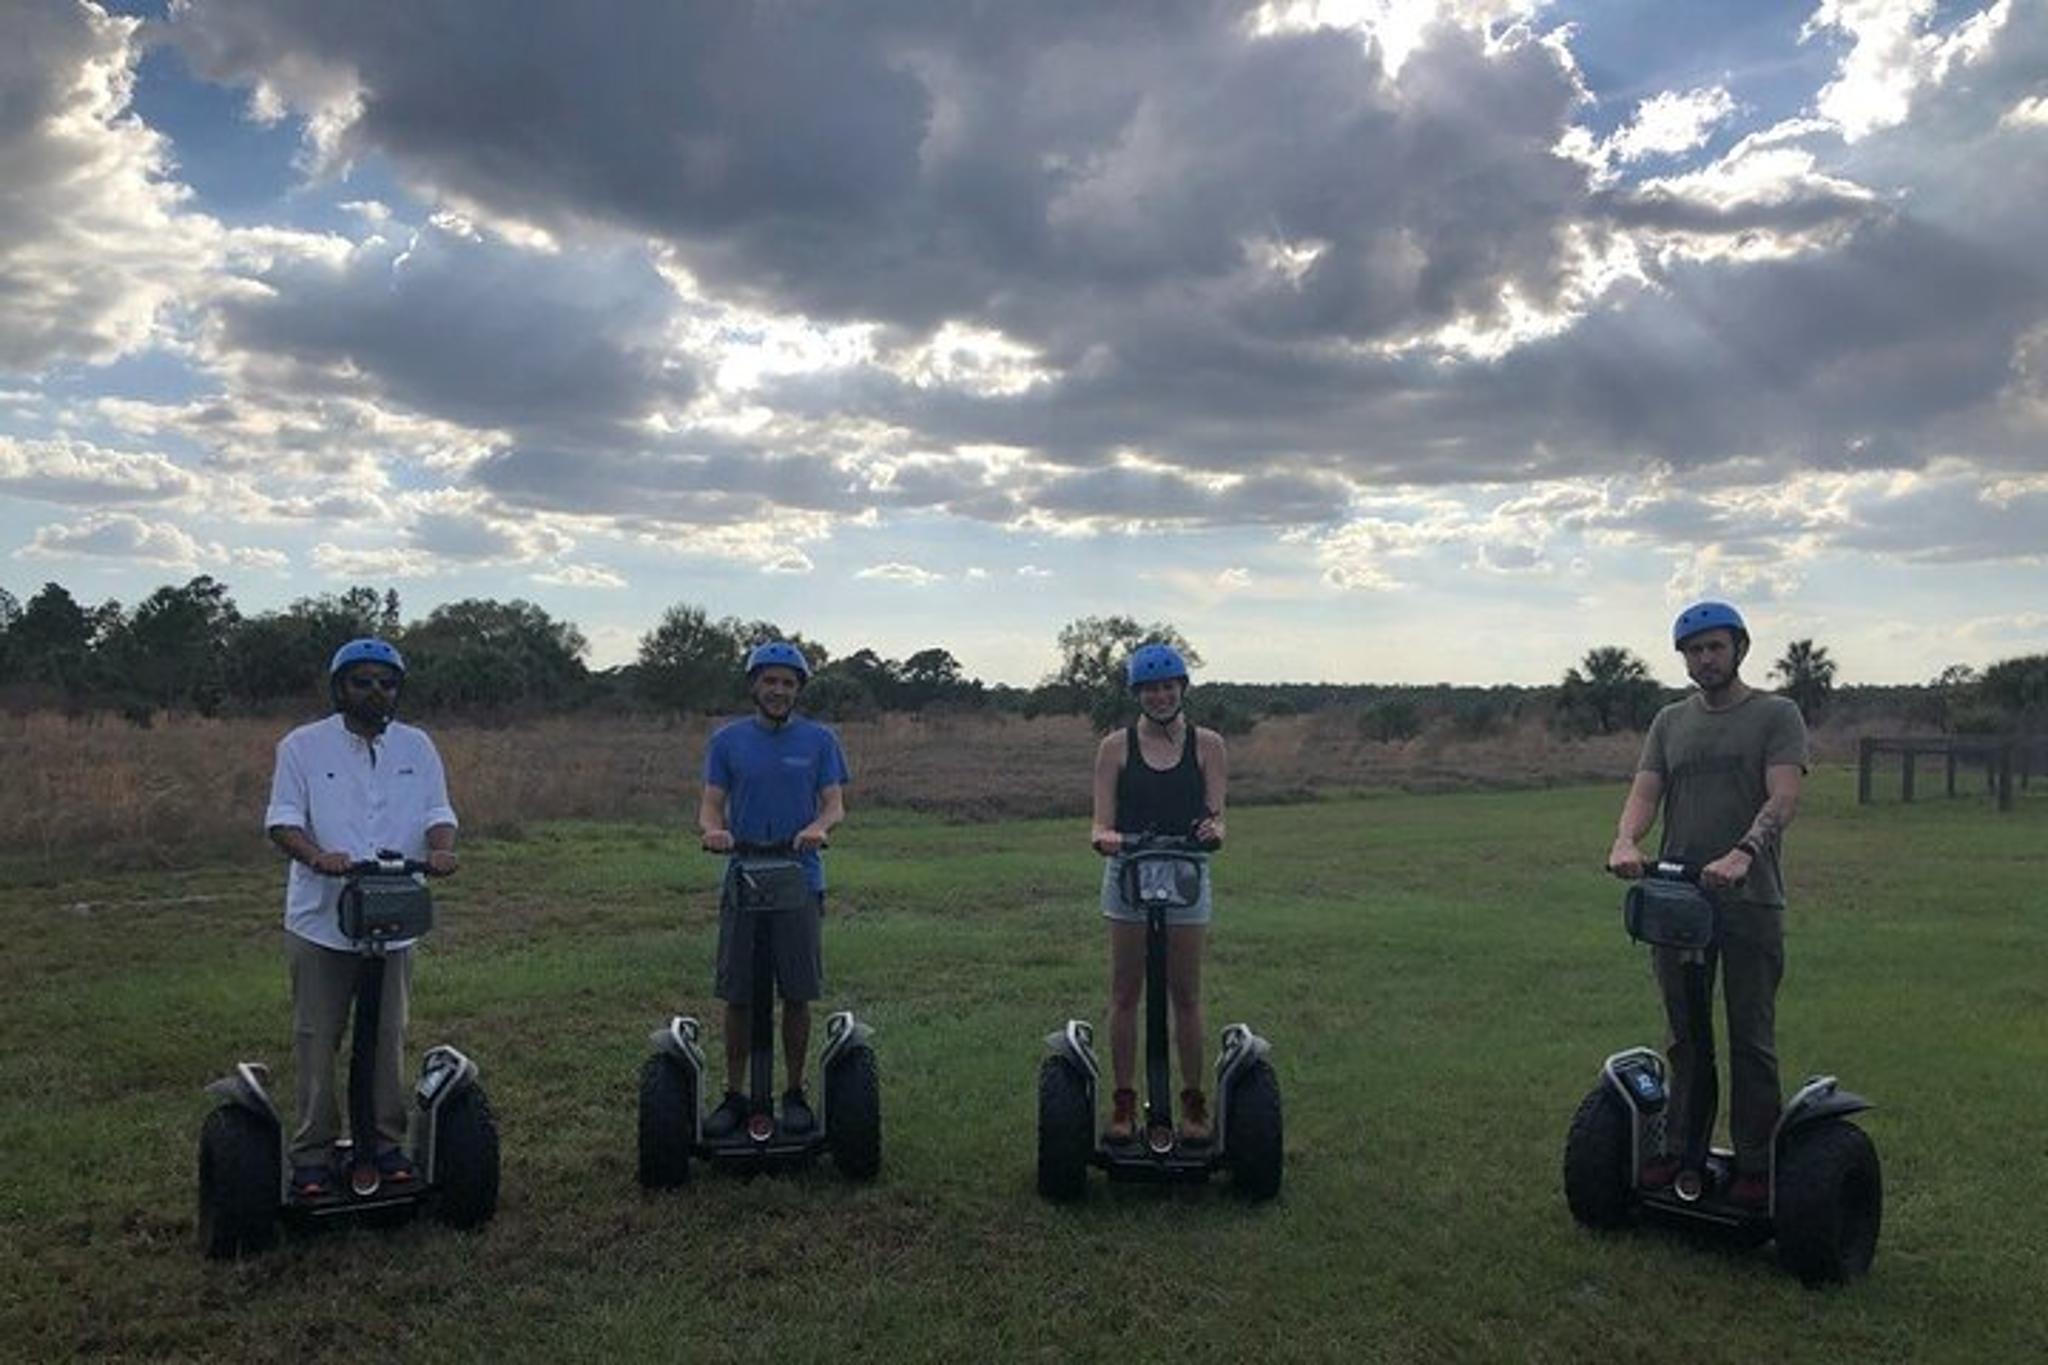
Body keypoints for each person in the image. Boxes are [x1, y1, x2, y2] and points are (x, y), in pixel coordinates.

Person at [1606, 601, 1807, 1208]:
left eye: (1715, 647)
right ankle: (1681, 1153)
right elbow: (1647, 791)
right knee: (1685, 1035)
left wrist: (1745, 851)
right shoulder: (1670, 721)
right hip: (1678, 900)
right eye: (1694, 650)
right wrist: (1624, 839)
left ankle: (1754, 1164)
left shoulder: (1776, 714)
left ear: (1739, 648)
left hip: (1750, 900)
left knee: (1751, 1035)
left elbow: (1784, 795)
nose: (1705, 658)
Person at [263, 638, 458, 1198]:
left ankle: (385, 1143)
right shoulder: (302, 747)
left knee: (387, 1035)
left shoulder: (417, 746)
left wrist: (441, 848)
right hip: (322, 920)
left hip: (394, 915)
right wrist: (316, 856)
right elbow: (282, 820)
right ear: (339, 687)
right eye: (363, 681)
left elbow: (438, 812)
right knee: (317, 1036)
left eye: (387, 683)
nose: (377, 692)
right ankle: (313, 1153)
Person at [697, 641, 849, 1137]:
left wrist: (819, 828)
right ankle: (736, 1094)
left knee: (798, 992)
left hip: (799, 876)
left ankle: (794, 1091)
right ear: (754, 686)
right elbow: (711, 805)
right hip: (743, 874)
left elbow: (834, 805)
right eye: (770, 681)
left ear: (798, 689)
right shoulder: (727, 741)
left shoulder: (820, 740)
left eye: (787, 682)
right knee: (738, 994)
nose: (778, 690)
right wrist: (713, 832)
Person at [1089, 642, 1228, 1145]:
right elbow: (1100, 824)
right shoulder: (1115, 748)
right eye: (1151, 688)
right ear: (1138, 694)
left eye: (1169, 686)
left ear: (1182, 688)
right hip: (1129, 874)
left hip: (1187, 875)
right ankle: (1124, 1103)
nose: (1161, 695)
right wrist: (1107, 839)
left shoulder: (1208, 745)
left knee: (1185, 993)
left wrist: (1214, 831)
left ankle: (1193, 1103)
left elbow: (1216, 815)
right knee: (1125, 992)